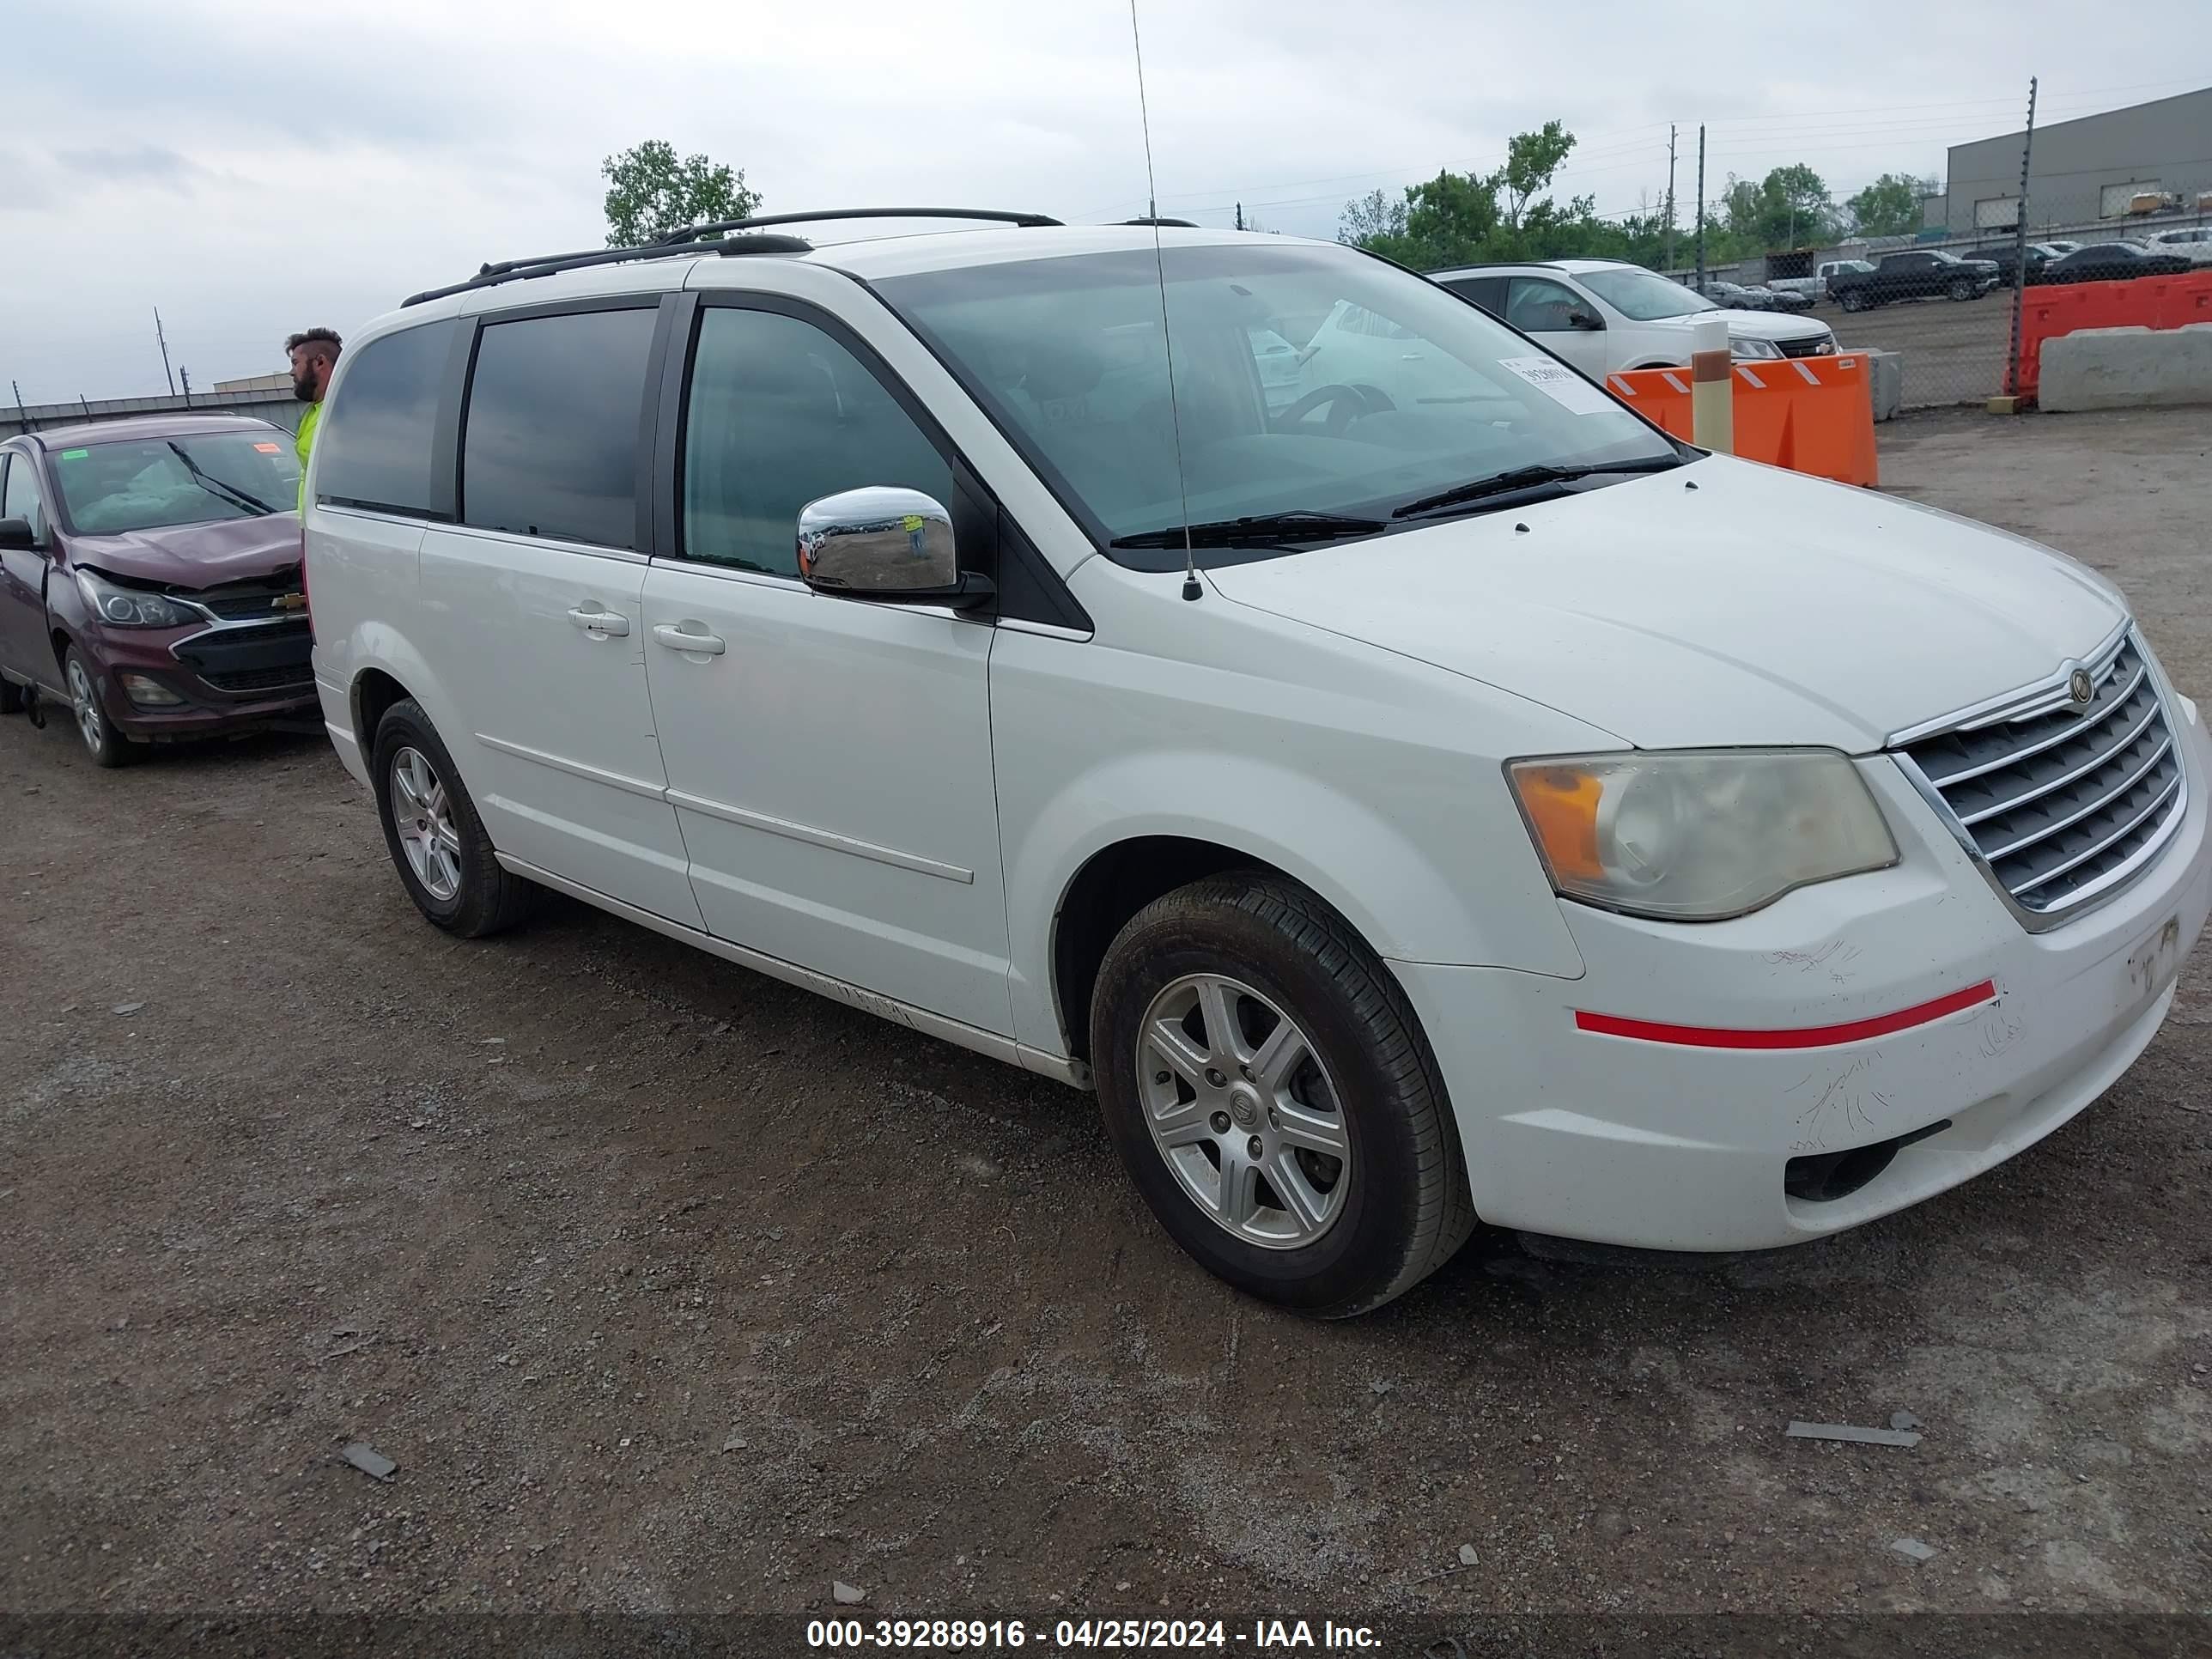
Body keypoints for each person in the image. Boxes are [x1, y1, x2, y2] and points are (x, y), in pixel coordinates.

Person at [285, 328, 343, 514]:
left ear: (319, 362)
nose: (291, 373)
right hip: (315, 527)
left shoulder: (345, 411)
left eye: (295, 363)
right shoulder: (312, 410)